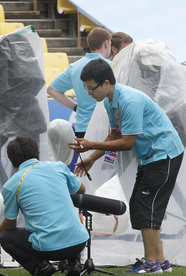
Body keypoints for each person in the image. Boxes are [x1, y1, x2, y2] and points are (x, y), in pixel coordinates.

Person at [70, 59, 184, 274]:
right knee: (142, 206)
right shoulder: (110, 100)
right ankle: (161, 261)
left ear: (105, 83)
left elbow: (127, 142)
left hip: (164, 154)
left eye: (91, 88)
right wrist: (92, 158)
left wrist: (91, 144)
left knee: (145, 207)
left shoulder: (129, 100)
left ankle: (151, 263)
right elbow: (115, 135)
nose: (88, 92)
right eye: (85, 88)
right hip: (151, 157)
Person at [0, 135, 88, 276]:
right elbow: (81, 189)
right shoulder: (58, 167)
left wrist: (0, 228)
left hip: (48, 248)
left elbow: (10, 226)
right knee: (67, 217)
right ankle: (74, 263)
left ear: (12, 160)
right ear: (37, 152)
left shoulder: (12, 184)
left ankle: (40, 266)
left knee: (5, 236)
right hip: (79, 243)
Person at [47, 27, 112, 138]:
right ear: (106, 43)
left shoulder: (74, 66)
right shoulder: (111, 66)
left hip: (82, 128)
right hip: (105, 128)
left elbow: (51, 90)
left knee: (86, 156)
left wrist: (75, 107)